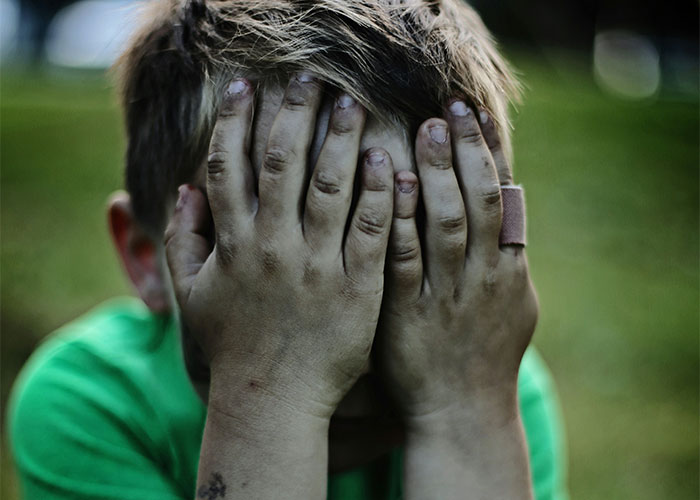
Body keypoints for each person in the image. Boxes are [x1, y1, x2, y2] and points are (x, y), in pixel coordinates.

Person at [8, 0, 568, 498]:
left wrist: (462, 411)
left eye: (405, 259)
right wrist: (269, 396)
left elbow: (474, 397)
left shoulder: (491, 385)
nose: (343, 354)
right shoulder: (92, 404)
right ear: (146, 256)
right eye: (269, 266)